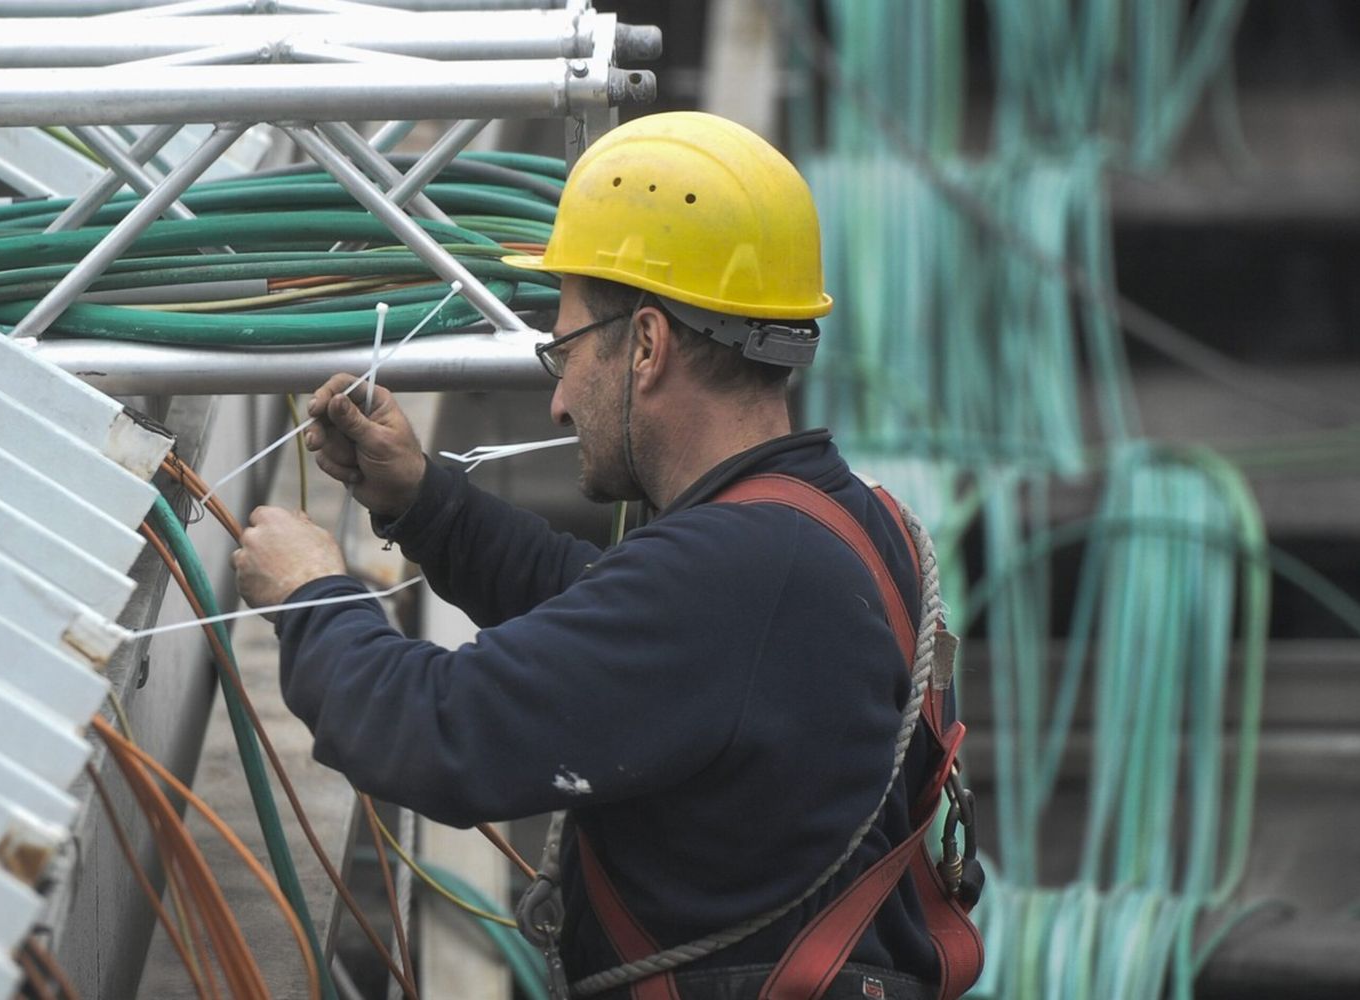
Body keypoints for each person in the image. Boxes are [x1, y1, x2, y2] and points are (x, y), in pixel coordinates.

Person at [233, 112, 977, 1000]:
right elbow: (598, 611)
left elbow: (436, 733)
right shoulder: (839, 527)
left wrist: (313, 592)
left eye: (567, 350)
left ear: (649, 346)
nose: (556, 404)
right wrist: (421, 501)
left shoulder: (732, 575)